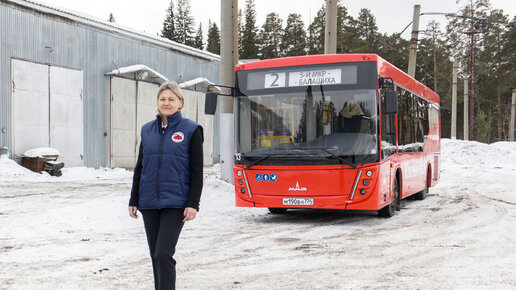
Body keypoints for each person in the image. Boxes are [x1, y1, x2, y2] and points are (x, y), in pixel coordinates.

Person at [129, 81, 203, 290]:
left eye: (171, 99)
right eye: (162, 99)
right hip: (149, 202)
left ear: (180, 102)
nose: (166, 103)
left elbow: (197, 170)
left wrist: (193, 203)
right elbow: (140, 167)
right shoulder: (147, 130)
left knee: (163, 252)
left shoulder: (191, 130)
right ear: (157, 102)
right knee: (155, 255)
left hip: (176, 202)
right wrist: (134, 199)